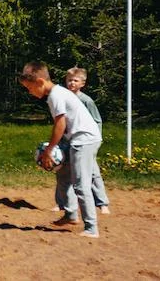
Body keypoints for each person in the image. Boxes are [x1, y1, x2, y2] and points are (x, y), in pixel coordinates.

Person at [19, 61, 102, 239]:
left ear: (40, 82)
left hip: (85, 140)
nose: (30, 92)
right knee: (63, 174)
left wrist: (49, 150)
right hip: (75, 139)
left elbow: (60, 123)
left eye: (30, 88)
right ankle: (71, 214)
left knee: (81, 183)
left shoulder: (56, 95)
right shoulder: (55, 94)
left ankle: (91, 228)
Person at [54, 67, 110, 215]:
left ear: (82, 83)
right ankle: (61, 203)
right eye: (69, 80)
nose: (72, 83)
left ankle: (102, 203)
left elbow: (97, 120)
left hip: (86, 140)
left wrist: (96, 141)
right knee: (62, 171)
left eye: (75, 80)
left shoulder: (86, 100)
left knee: (92, 172)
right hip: (68, 139)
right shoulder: (63, 97)